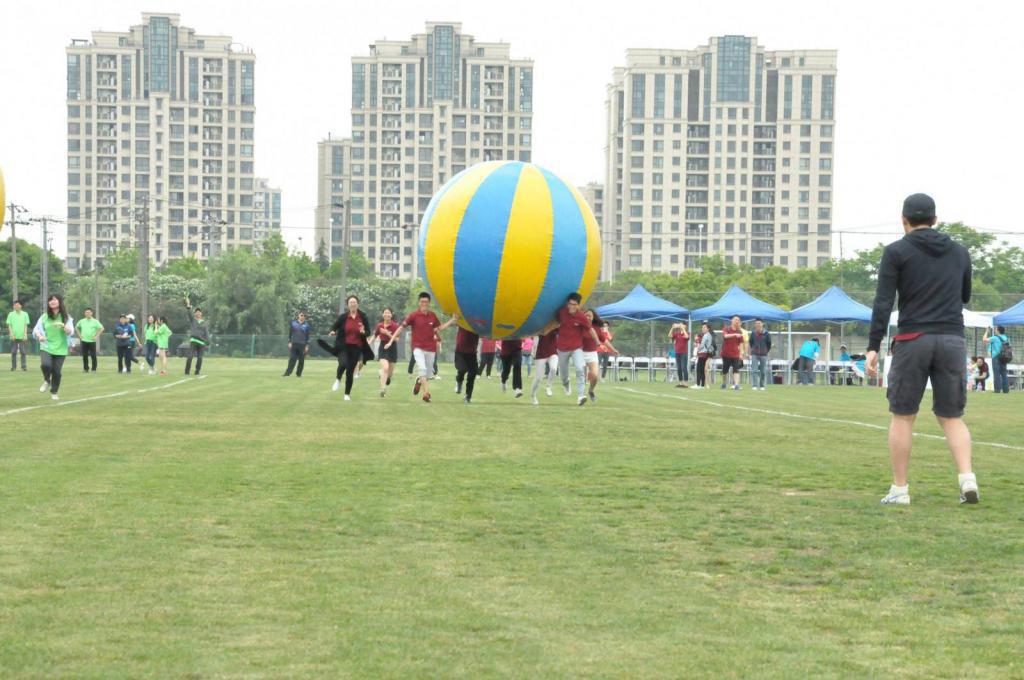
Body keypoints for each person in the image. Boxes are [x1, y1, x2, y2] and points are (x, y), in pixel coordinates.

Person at [866, 192, 978, 506]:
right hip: (952, 339)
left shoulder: (896, 252)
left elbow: (884, 302)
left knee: (903, 416)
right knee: (952, 416)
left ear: (904, 221)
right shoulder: (960, 252)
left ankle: (900, 489)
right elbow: (965, 295)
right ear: (935, 219)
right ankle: (967, 478)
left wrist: (873, 346)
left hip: (913, 338)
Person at [389, 292, 454, 403]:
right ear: (419, 303)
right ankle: (426, 393)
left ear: (429, 303)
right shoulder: (413, 315)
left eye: (426, 302)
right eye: (422, 301)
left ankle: (419, 381)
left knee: (428, 375)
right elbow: (401, 327)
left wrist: (453, 320)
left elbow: (439, 328)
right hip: (417, 348)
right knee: (422, 368)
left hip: (431, 349)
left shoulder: (432, 316)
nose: (424, 303)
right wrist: (391, 340)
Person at [547, 292, 600, 407]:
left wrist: (597, 341)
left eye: (575, 305)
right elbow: (554, 322)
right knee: (563, 374)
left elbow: (590, 329)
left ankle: (581, 396)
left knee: (581, 368)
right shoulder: (561, 312)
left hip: (577, 348)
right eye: (570, 304)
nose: (572, 307)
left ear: (578, 306)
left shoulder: (581, 316)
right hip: (562, 348)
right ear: (567, 303)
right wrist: (546, 331)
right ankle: (566, 384)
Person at [327, 295, 374, 401]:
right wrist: (333, 331)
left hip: (356, 347)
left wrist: (363, 332)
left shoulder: (363, 317)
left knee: (350, 371)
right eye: (350, 302)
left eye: (354, 302)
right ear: (348, 305)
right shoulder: (343, 317)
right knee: (343, 363)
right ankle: (338, 379)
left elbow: (368, 332)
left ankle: (347, 394)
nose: (353, 304)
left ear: (357, 304)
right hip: (344, 346)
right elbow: (335, 326)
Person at [32, 294, 74, 400]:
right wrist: (40, 336)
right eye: (50, 300)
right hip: (46, 346)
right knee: (45, 365)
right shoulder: (44, 316)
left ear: (59, 302)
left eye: (54, 300)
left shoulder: (66, 317)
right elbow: (36, 330)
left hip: (61, 348)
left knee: (57, 372)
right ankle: (47, 380)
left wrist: (65, 327)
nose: (52, 302)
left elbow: (71, 332)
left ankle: (54, 391)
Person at [584, 309, 619, 402]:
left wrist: (613, 350)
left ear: (593, 318)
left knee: (595, 376)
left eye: (589, 316)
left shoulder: (596, 328)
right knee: (582, 375)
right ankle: (581, 396)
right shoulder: (580, 326)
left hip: (592, 353)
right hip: (580, 353)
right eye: (586, 315)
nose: (587, 317)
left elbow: (605, 340)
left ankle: (591, 391)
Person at [373, 308, 401, 397]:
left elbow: (397, 339)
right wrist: (368, 343)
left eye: (389, 313)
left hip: (392, 348)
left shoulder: (395, 326)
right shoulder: (379, 325)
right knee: (385, 367)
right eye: (385, 313)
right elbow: (374, 335)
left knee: (390, 373)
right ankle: (383, 389)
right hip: (383, 347)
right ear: (383, 315)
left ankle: (384, 375)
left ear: (391, 315)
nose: (387, 314)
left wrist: (387, 333)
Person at [530, 328, 559, 405]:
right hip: (541, 354)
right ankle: (533, 395)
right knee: (538, 378)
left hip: (552, 352)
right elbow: (534, 337)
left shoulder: (555, 325)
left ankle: (548, 386)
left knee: (553, 368)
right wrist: (533, 352)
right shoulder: (539, 325)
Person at [453, 321, 480, 403]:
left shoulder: (479, 323)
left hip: (472, 353)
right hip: (460, 351)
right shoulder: (463, 319)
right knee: (462, 369)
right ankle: (459, 381)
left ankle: (468, 396)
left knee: (473, 373)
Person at [183, 296, 209, 376]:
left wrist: (207, 343)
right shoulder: (193, 320)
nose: (198, 313)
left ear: (201, 314)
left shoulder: (204, 323)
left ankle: (197, 371)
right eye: (196, 312)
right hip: (194, 341)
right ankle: (187, 372)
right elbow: (189, 312)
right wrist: (188, 304)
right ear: (195, 314)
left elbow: (206, 333)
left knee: (200, 358)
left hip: (201, 342)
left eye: (199, 312)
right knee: (190, 357)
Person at [982, 325, 1010, 394]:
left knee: (996, 374)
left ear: (998, 330)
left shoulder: (995, 338)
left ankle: (997, 390)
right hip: (1004, 357)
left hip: (996, 357)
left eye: (995, 329)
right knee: (1004, 374)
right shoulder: (1006, 338)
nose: (995, 330)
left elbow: (984, 340)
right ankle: (1006, 390)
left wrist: (986, 331)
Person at [282, 311, 311, 378]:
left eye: (303, 315)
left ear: (304, 317)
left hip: (302, 345)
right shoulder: (293, 323)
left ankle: (299, 374)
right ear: (298, 315)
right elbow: (290, 334)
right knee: (292, 359)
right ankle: (287, 373)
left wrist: (307, 345)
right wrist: (289, 342)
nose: (302, 316)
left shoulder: (307, 325)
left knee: (301, 360)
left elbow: (308, 337)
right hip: (294, 344)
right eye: (301, 315)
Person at [76, 307, 104, 373]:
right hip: (84, 340)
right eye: (86, 312)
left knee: (93, 355)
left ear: (91, 313)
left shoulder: (95, 321)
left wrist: (96, 336)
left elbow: (102, 328)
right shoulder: (82, 321)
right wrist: (79, 335)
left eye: (89, 312)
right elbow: (76, 327)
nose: (88, 313)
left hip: (92, 341)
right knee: (85, 355)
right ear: (84, 313)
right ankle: (86, 369)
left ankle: (94, 369)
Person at [720, 315, 744, 390]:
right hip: (726, 353)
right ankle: (724, 383)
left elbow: (741, 343)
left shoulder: (739, 331)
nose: (737, 321)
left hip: (735, 354)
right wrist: (734, 334)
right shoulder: (726, 329)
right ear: (732, 320)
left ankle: (736, 384)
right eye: (735, 319)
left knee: (736, 369)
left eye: (738, 320)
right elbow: (725, 336)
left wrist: (741, 353)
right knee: (725, 370)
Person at [6, 299, 31, 372]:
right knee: (13, 352)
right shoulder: (11, 314)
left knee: (23, 352)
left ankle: (24, 366)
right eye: (15, 305)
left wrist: (25, 334)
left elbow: (26, 325)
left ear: (21, 306)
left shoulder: (25, 314)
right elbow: (9, 325)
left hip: (22, 336)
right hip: (14, 336)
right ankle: (13, 367)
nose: (16, 306)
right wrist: (11, 334)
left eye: (17, 305)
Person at [748, 318, 772, 391]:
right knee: (754, 370)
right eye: (756, 323)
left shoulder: (766, 333)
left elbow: (769, 344)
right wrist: (753, 349)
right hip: (755, 354)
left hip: (763, 354)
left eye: (759, 323)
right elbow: (751, 342)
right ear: (755, 325)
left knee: (763, 371)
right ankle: (754, 385)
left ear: (762, 324)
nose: (758, 324)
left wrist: (765, 351)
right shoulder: (753, 333)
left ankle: (762, 385)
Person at [693, 322, 714, 389]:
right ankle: (702, 385)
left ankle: (698, 384)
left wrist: (698, 348)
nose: (703, 329)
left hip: (703, 353)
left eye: (704, 327)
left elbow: (702, 344)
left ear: (708, 329)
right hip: (706, 353)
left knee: (699, 369)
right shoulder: (709, 335)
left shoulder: (705, 335)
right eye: (702, 327)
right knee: (702, 369)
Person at [669, 322, 690, 387]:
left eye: (682, 324)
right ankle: (680, 382)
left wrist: (683, 329)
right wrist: (672, 328)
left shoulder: (687, 333)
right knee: (679, 368)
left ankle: (686, 383)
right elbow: (669, 336)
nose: (680, 326)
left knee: (684, 368)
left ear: (685, 326)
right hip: (677, 353)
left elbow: (687, 337)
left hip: (684, 353)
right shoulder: (677, 334)